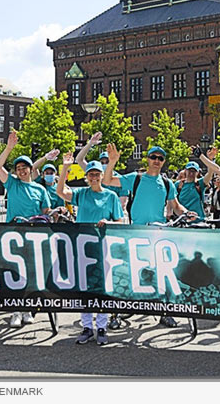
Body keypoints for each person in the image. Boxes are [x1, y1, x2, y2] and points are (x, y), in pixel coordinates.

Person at [102, 143, 197, 328]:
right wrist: (112, 162)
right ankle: (116, 315)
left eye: (160, 158)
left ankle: (165, 313)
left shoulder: (167, 183)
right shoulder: (135, 178)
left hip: (157, 235)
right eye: (153, 157)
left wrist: (187, 213)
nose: (156, 161)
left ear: (163, 162)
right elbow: (108, 180)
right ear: (147, 159)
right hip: (136, 235)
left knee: (163, 274)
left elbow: (176, 206)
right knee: (128, 274)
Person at [56, 154, 123, 345]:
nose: (93, 178)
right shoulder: (82, 194)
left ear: (102, 176)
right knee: (85, 288)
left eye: (96, 174)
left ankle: (101, 326)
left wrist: (108, 222)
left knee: (101, 288)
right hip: (82, 247)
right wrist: (65, 169)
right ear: (86, 177)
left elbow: (119, 222)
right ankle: (87, 326)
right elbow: (61, 192)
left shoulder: (111, 196)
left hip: (103, 248)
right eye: (90, 175)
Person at [0, 130, 51, 327]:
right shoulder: (12, 184)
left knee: (32, 273)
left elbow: (46, 211)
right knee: (15, 272)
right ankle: (16, 311)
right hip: (14, 233)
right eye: (18, 168)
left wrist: (55, 213)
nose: (21, 171)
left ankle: (29, 308)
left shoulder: (40, 189)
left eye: (24, 167)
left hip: (34, 235)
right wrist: (9, 147)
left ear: (30, 169)